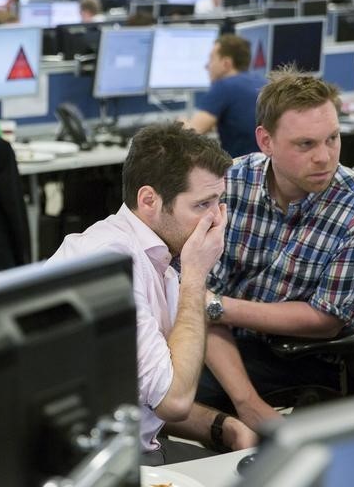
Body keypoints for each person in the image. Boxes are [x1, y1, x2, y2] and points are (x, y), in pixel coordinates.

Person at [48, 123, 257, 465]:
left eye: (220, 203)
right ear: (149, 200)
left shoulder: (159, 257)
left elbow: (151, 393)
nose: (217, 221)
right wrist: (194, 276)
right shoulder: (111, 265)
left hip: (131, 446)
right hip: (95, 465)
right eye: (202, 205)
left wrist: (221, 426)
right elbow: (172, 400)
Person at [197, 69, 354, 430]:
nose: (324, 157)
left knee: (163, 391)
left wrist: (218, 308)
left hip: (300, 352)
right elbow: (198, 289)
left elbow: (326, 320)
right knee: (139, 373)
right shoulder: (230, 183)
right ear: (266, 141)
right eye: (305, 144)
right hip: (223, 337)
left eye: (332, 138)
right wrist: (245, 398)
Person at [184, 34, 267, 158]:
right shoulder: (262, 82)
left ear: (226, 64)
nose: (207, 66)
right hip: (267, 165)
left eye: (211, 59)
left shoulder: (223, 86)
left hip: (241, 169)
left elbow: (190, 134)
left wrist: (182, 122)